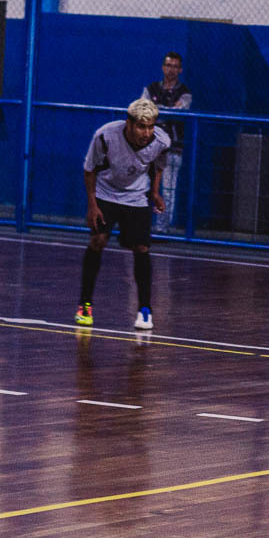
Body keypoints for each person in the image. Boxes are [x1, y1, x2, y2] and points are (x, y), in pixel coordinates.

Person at [75, 98, 171, 330]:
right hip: (105, 193)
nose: (146, 133)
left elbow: (159, 165)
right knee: (98, 240)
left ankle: (144, 310)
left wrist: (155, 192)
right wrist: (92, 205)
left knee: (142, 248)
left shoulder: (162, 141)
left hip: (136, 197)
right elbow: (89, 170)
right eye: (141, 127)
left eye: (150, 127)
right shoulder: (105, 136)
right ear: (129, 123)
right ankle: (85, 305)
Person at [142, 52, 191, 234]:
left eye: (175, 67)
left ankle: (162, 229)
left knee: (168, 189)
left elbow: (180, 111)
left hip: (173, 147)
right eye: (168, 66)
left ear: (180, 70)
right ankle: (139, 224)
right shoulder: (151, 88)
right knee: (142, 186)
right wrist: (164, 110)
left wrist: (158, 110)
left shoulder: (185, 93)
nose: (171, 70)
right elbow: (143, 110)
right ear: (163, 67)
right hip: (149, 146)